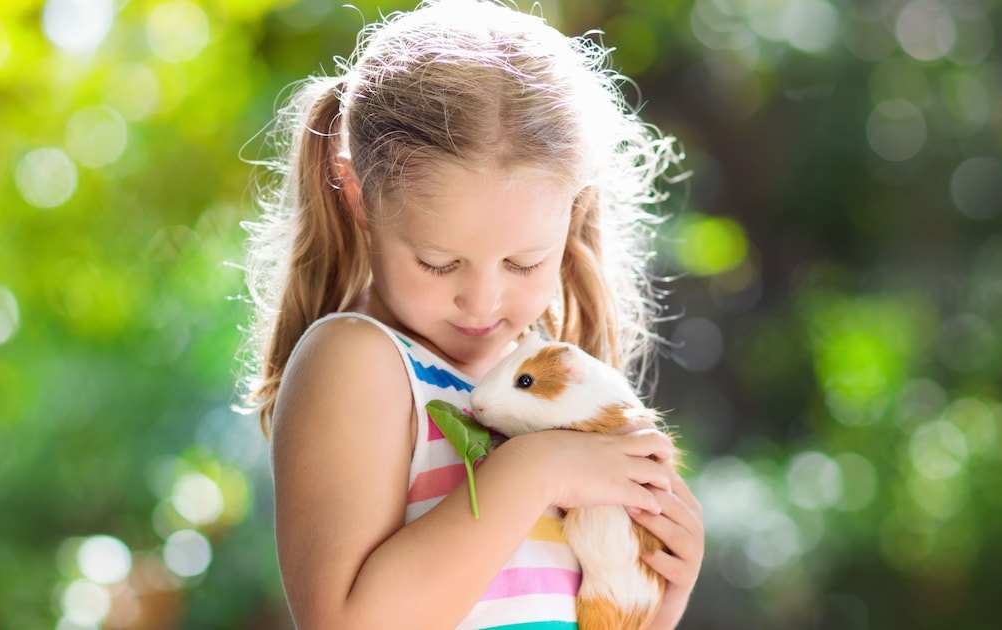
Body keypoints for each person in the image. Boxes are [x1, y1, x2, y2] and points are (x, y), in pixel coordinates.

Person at [239, 1, 704, 627]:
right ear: (357, 195)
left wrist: (655, 596)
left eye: (523, 263)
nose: (482, 302)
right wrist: (533, 474)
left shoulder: (547, 392)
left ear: (574, 209)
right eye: (437, 262)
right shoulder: (358, 361)